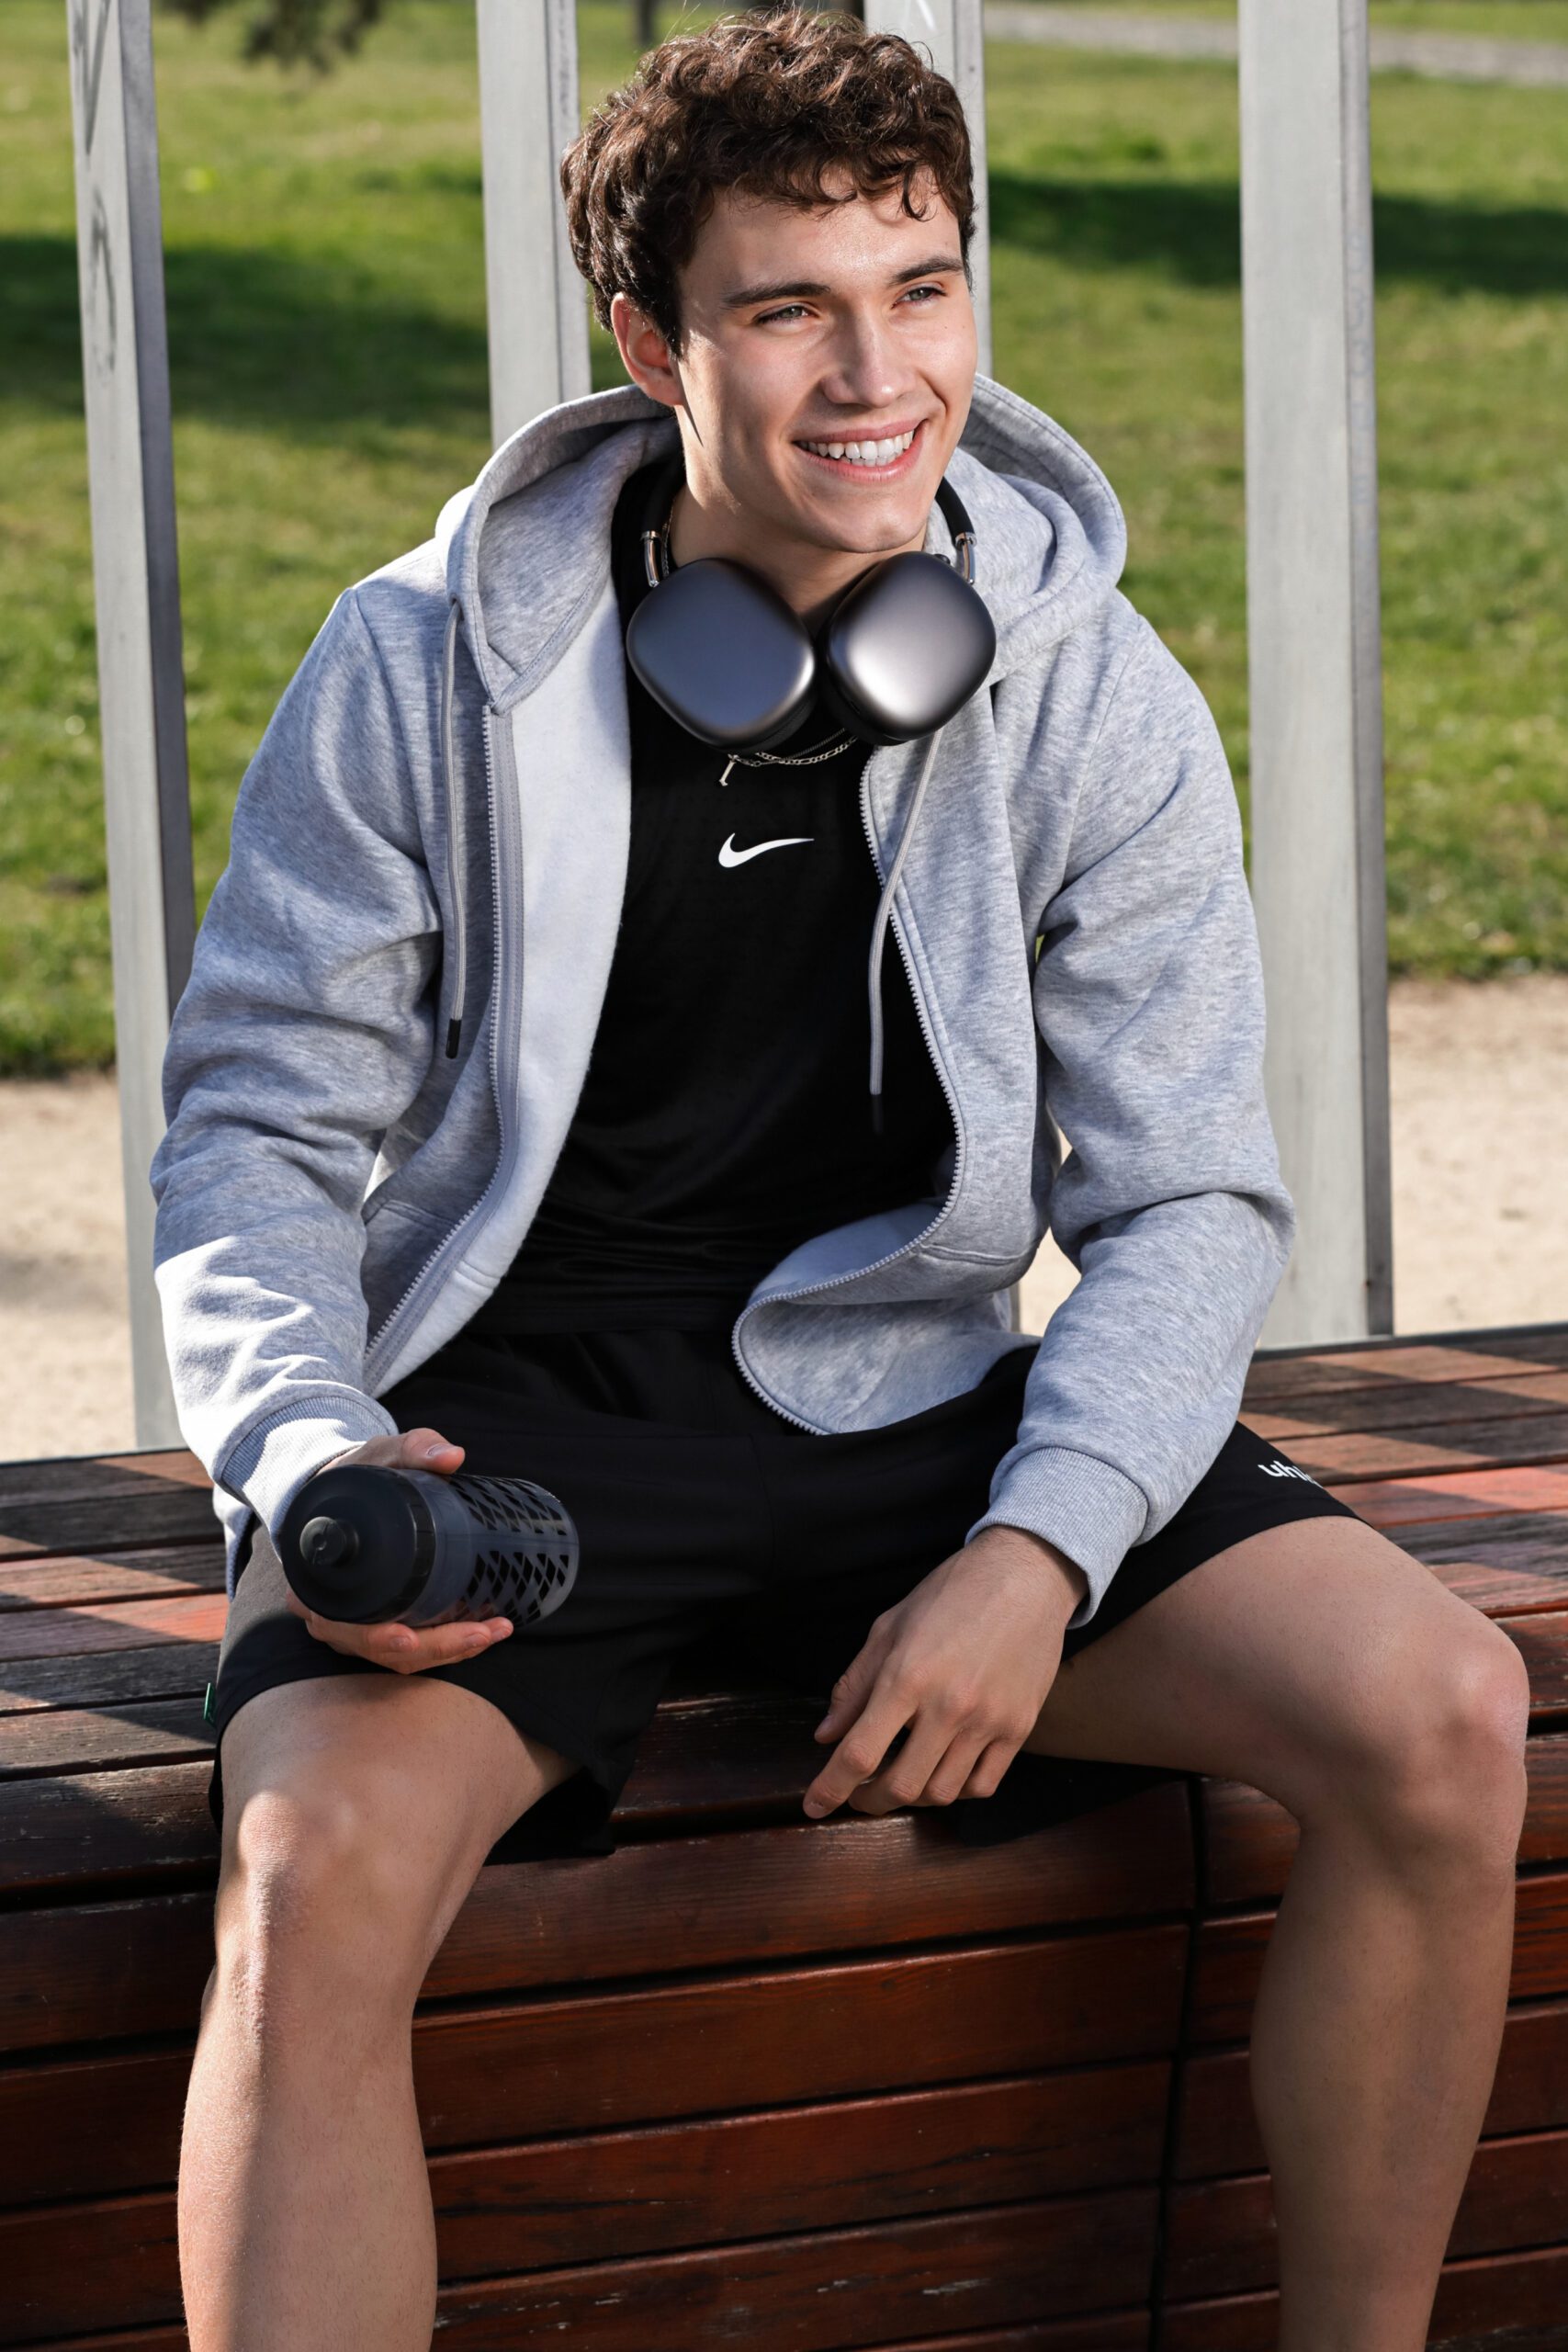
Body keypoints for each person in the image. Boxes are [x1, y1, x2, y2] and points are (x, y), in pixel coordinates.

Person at [152, 10, 1529, 2348]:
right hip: (521, 1432)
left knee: (1442, 1712)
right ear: (647, 342)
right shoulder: (419, 664)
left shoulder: (1081, 680)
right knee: (308, 1873)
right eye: (789, 308)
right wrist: (308, 1455)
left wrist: (1038, 1542)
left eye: (920, 289)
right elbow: (256, 1130)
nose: (876, 376)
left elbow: (1189, 1196)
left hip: (918, 1415)